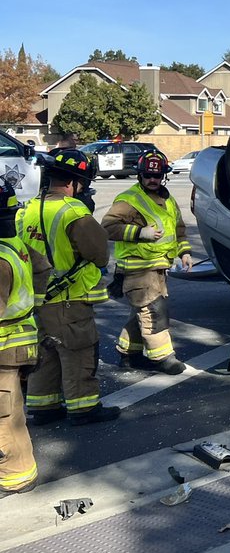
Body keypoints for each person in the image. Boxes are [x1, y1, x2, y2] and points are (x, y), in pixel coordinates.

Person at [19, 149, 118, 426]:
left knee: (45, 352)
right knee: (77, 352)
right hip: (69, 298)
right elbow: (98, 253)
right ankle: (84, 407)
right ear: (74, 183)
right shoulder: (73, 211)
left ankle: (44, 406)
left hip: (38, 299)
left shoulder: (27, 209)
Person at [101, 152, 192, 374]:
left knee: (141, 312)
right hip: (137, 268)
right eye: (148, 175)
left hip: (158, 267)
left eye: (158, 175)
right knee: (153, 311)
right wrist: (140, 232)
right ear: (140, 175)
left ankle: (128, 354)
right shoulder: (128, 200)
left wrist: (185, 252)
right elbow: (107, 227)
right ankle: (163, 357)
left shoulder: (167, 199)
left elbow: (178, 229)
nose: (153, 180)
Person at [0, 179, 48, 497]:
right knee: (11, 408)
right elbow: (43, 268)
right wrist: (35, 303)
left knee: (5, 415)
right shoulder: (13, 244)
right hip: (20, 340)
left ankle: (16, 475)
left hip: (5, 347)